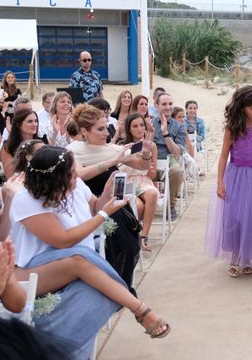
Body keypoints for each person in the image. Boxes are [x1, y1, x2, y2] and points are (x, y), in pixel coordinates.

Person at [9, 147, 170, 355]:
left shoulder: (75, 186)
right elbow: (63, 241)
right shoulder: (26, 199)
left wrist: (106, 195)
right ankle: (140, 310)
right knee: (80, 258)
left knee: (98, 296)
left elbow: (94, 207)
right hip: (32, 269)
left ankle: (57, 348)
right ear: (55, 179)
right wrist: (105, 214)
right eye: (72, 174)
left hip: (81, 265)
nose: (77, 176)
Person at [67, 104, 152, 289]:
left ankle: (120, 284)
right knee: (117, 244)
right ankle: (110, 286)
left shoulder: (113, 149)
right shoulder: (74, 150)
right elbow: (79, 174)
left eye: (107, 127)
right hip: (91, 207)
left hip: (116, 205)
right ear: (84, 131)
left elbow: (142, 166)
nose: (106, 132)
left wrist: (145, 153)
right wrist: (113, 162)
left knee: (130, 244)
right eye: (100, 129)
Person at [205, 85, 252, 277]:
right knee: (235, 217)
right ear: (242, 108)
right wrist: (220, 182)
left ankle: (247, 257)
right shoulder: (232, 129)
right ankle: (235, 255)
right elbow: (223, 156)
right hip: (237, 176)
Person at [119, 113, 158, 251]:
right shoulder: (123, 146)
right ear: (129, 129)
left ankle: (144, 237)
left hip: (144, 181)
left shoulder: (151, 146)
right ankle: (132, 237)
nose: (139, 129)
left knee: (153, 193)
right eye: (135, 126)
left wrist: (146, 162)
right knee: (139, 207)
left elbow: (153, 174)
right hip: (127, 182)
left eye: (142, 125)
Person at [152, 92, 186, 220]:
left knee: (177, 171)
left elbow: (177, 153)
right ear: (156, 105)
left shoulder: (179, 126)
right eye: (164, 104)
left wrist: (165, 133)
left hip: (169, 158)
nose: (168, 107)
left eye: (170, 104)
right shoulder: (149, 123)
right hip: (151, 159)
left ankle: (170, 206)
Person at [0, 109, 44, 179]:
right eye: (30, 121)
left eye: (36, 121)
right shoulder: (10, 146)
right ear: (18, 124)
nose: (34, 124)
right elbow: (10, 176)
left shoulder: (41, 143)